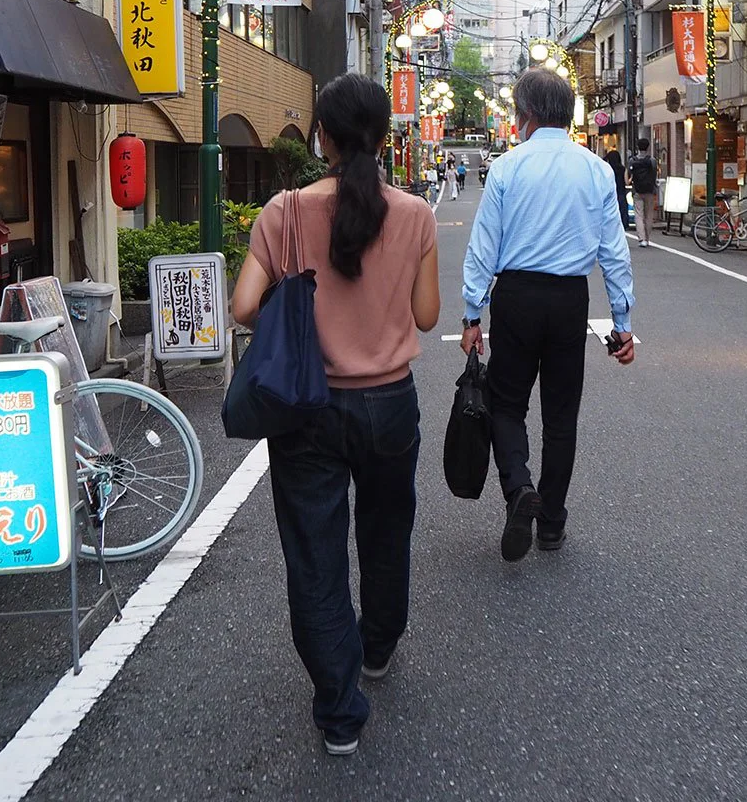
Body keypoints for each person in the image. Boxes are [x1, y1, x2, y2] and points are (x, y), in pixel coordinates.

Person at [230, 73, 441, 758]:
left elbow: (240, 309)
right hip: (389, 403)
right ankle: (377, 648)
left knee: (315, 558)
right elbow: (428, 316)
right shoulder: (414, 214)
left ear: (322, 136)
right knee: (386, 531)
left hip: (307, 407)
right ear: (384, 137)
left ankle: (340, 711)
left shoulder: (284, 213)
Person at [461, 68, 636, 561]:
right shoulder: (596, 169)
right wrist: (621, 322)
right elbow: (614, 251)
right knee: (561, 415)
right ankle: (552, 523)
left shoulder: (507, 168)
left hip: (515, 296)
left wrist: (473, 315)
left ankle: (519, 490)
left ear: (527, 114)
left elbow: (482, 249)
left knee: (506, 402)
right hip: (568, 300)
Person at [627, 137, 658, 248]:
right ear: (648, 147)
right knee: (649, 215)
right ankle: (648, 238)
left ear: (637, 147)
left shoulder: (632, 160)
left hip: (637, 190)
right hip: (649, 190)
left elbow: (630, 175)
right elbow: (654, 174)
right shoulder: (652, 160)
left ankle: (642, 238)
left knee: (639, 214)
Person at [602, 148, 630, 230]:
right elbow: (626, 182)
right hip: (621, 191)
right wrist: (631, 178)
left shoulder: (607, 168)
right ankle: (624, 224)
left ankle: (611, 226)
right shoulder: (622, 168)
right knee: (623, 209)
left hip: (610, 192)